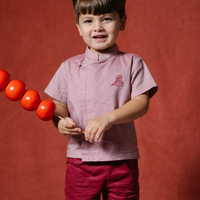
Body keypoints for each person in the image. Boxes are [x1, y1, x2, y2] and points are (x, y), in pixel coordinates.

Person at [45, 0, 158, 199]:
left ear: (122, 22)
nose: (98, 27)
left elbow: (141, 103)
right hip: (80, 162)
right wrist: (60, 122)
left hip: (122, 160)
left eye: (106, 19)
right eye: (88, 21)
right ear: (78, 27)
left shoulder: (132, 62)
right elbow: (59, 106)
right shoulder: (68, 67)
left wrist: (108, 118)